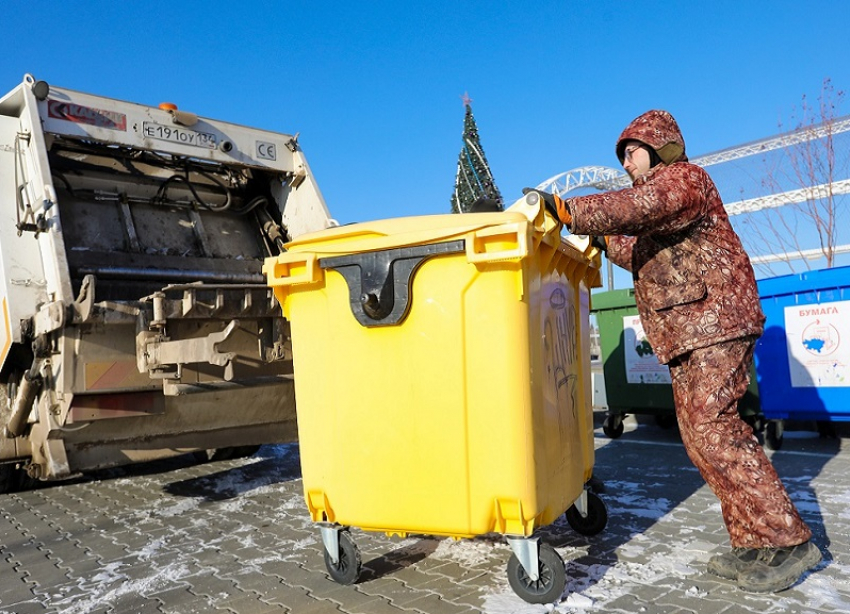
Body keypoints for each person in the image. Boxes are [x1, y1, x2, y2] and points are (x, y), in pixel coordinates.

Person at [525, 109, 822, 593]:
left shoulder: (684, 180)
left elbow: (637, 209)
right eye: (622, 155)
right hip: (688, 332)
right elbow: (636, 246)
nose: (626, 162)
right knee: (702, 437)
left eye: (632, 151)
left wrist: (567, 210)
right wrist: (595, 235)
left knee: (715, 430)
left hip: (715, 322)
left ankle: (789, 541)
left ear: (660, 145)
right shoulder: (658, 205)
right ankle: (753, 541)